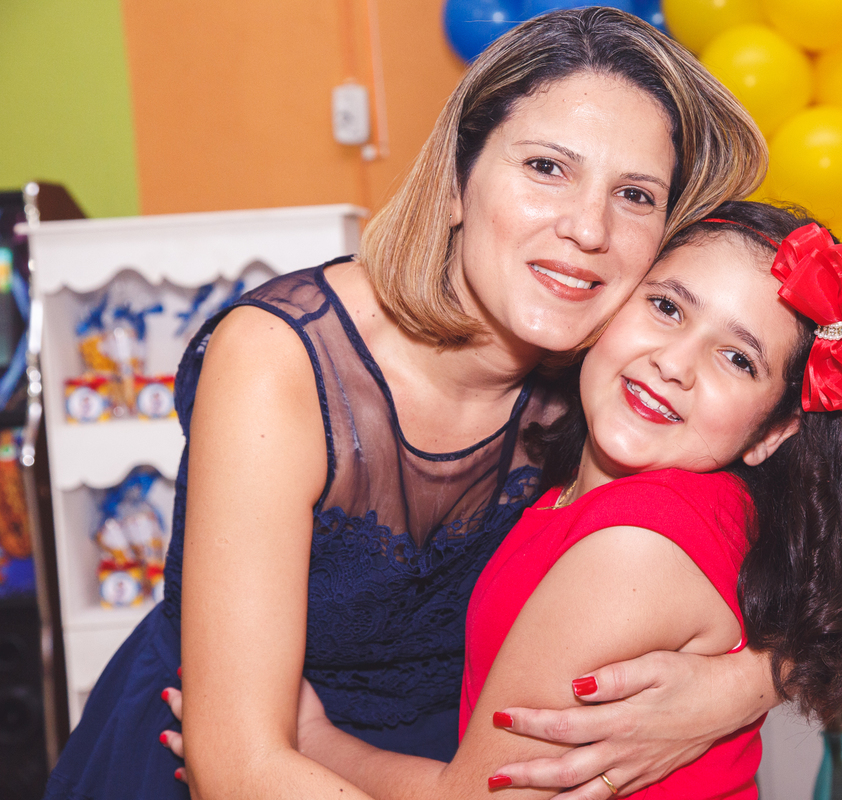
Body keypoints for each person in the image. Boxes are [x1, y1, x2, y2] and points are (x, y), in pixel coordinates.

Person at [42, 9, 772, 800]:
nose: (588, 227)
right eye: (547, 168)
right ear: (458, 182)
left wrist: (738, 688)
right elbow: (237, 764)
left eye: (634, 194)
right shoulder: (280, 361)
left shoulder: (622, 381)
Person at [191, 201, 842, 799]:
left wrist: (314, 742)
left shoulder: (637, 543)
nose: (675, 361)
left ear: (771, 435)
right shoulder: (614, 483)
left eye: (736, 359)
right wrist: (762, 676)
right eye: (665, 307)